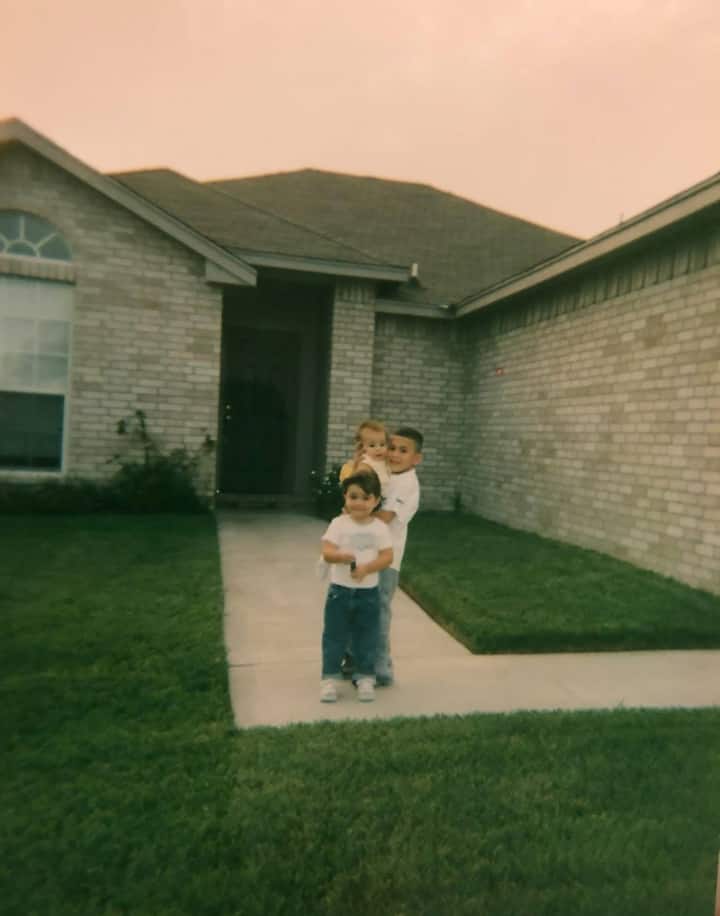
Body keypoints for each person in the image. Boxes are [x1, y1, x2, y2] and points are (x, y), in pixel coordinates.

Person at [319, 470, 393, 703]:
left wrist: (367, 568)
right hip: (340, 591)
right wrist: (340, 556)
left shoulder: (379, 528)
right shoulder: (339, 524)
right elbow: (327, 551)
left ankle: (365, 678)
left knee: (367, 636)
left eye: (365, 497)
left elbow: (387, 557)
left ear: (376, 501)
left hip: (368, 592)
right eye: (353, 497)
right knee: (334, 635)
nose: (359, 503)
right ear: (345, 497)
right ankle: (329, 679)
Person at [371, 427, 423, 686]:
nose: (394, 454)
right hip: (366, 554)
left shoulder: (407, 484)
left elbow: (385, 516)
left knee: (378, 610)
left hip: (386, 559)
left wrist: (353, 516)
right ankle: (354, 658)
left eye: (403, 450)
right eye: (391, 448)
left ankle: (381, 665)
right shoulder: (386, 476)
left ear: (416, 458)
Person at [339, 419, 391, 498]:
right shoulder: (364, 462)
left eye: (382, 444)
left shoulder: (386, 460)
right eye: (372, 445)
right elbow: (354, 482)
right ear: (362, 447)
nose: (378, 448)